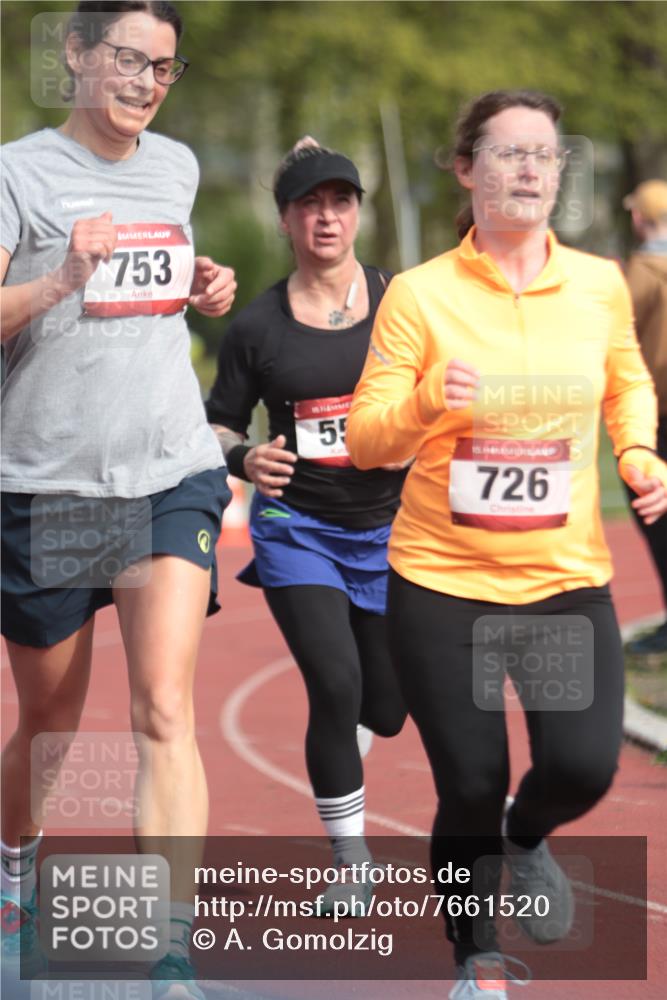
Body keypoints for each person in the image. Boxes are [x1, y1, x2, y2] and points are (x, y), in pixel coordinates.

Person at [347, 89, 667, 999]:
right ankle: (476, 957)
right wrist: (426, 401)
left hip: (561, 581)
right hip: (442, 585)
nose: (529, 168)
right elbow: (366, 439)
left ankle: (525, 839)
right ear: (466, 169)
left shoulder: (598, 283)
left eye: (544, 153)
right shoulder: (419, 295)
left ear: (559, 174)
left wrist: (637, 451)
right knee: (470, 782)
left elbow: (626, 384)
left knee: (582, 766)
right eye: (508, 152)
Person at [0, 3, 236, 998]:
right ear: (76, 54)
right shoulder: (17, 172)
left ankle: (170, 948)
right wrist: (61, 277)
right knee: (50, 724)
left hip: (168, 471)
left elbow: (156, 288)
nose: (145, 82)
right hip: (51, 484)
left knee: (164, 708)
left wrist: (204, 285)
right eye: (129, 59)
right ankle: (15, 864)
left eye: (164, 67)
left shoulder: (177, 167)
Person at [206, 137, 407, 911]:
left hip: (391, 528)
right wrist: (244, 457)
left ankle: (350, 742)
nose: (326, 217)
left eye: (340, 202)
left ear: (358, 213)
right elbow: (218, 424)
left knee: (384, 710)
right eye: (308, 204)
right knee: (335, 683)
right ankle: (350, 863)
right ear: (285, 219)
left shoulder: (401, 301)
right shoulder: (257, 326)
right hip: (297, 529)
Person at [622, 179, 667, 654]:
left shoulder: (640, 272)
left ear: (639, 218)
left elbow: (617, 331)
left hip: (654, 412)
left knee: (655, 517)